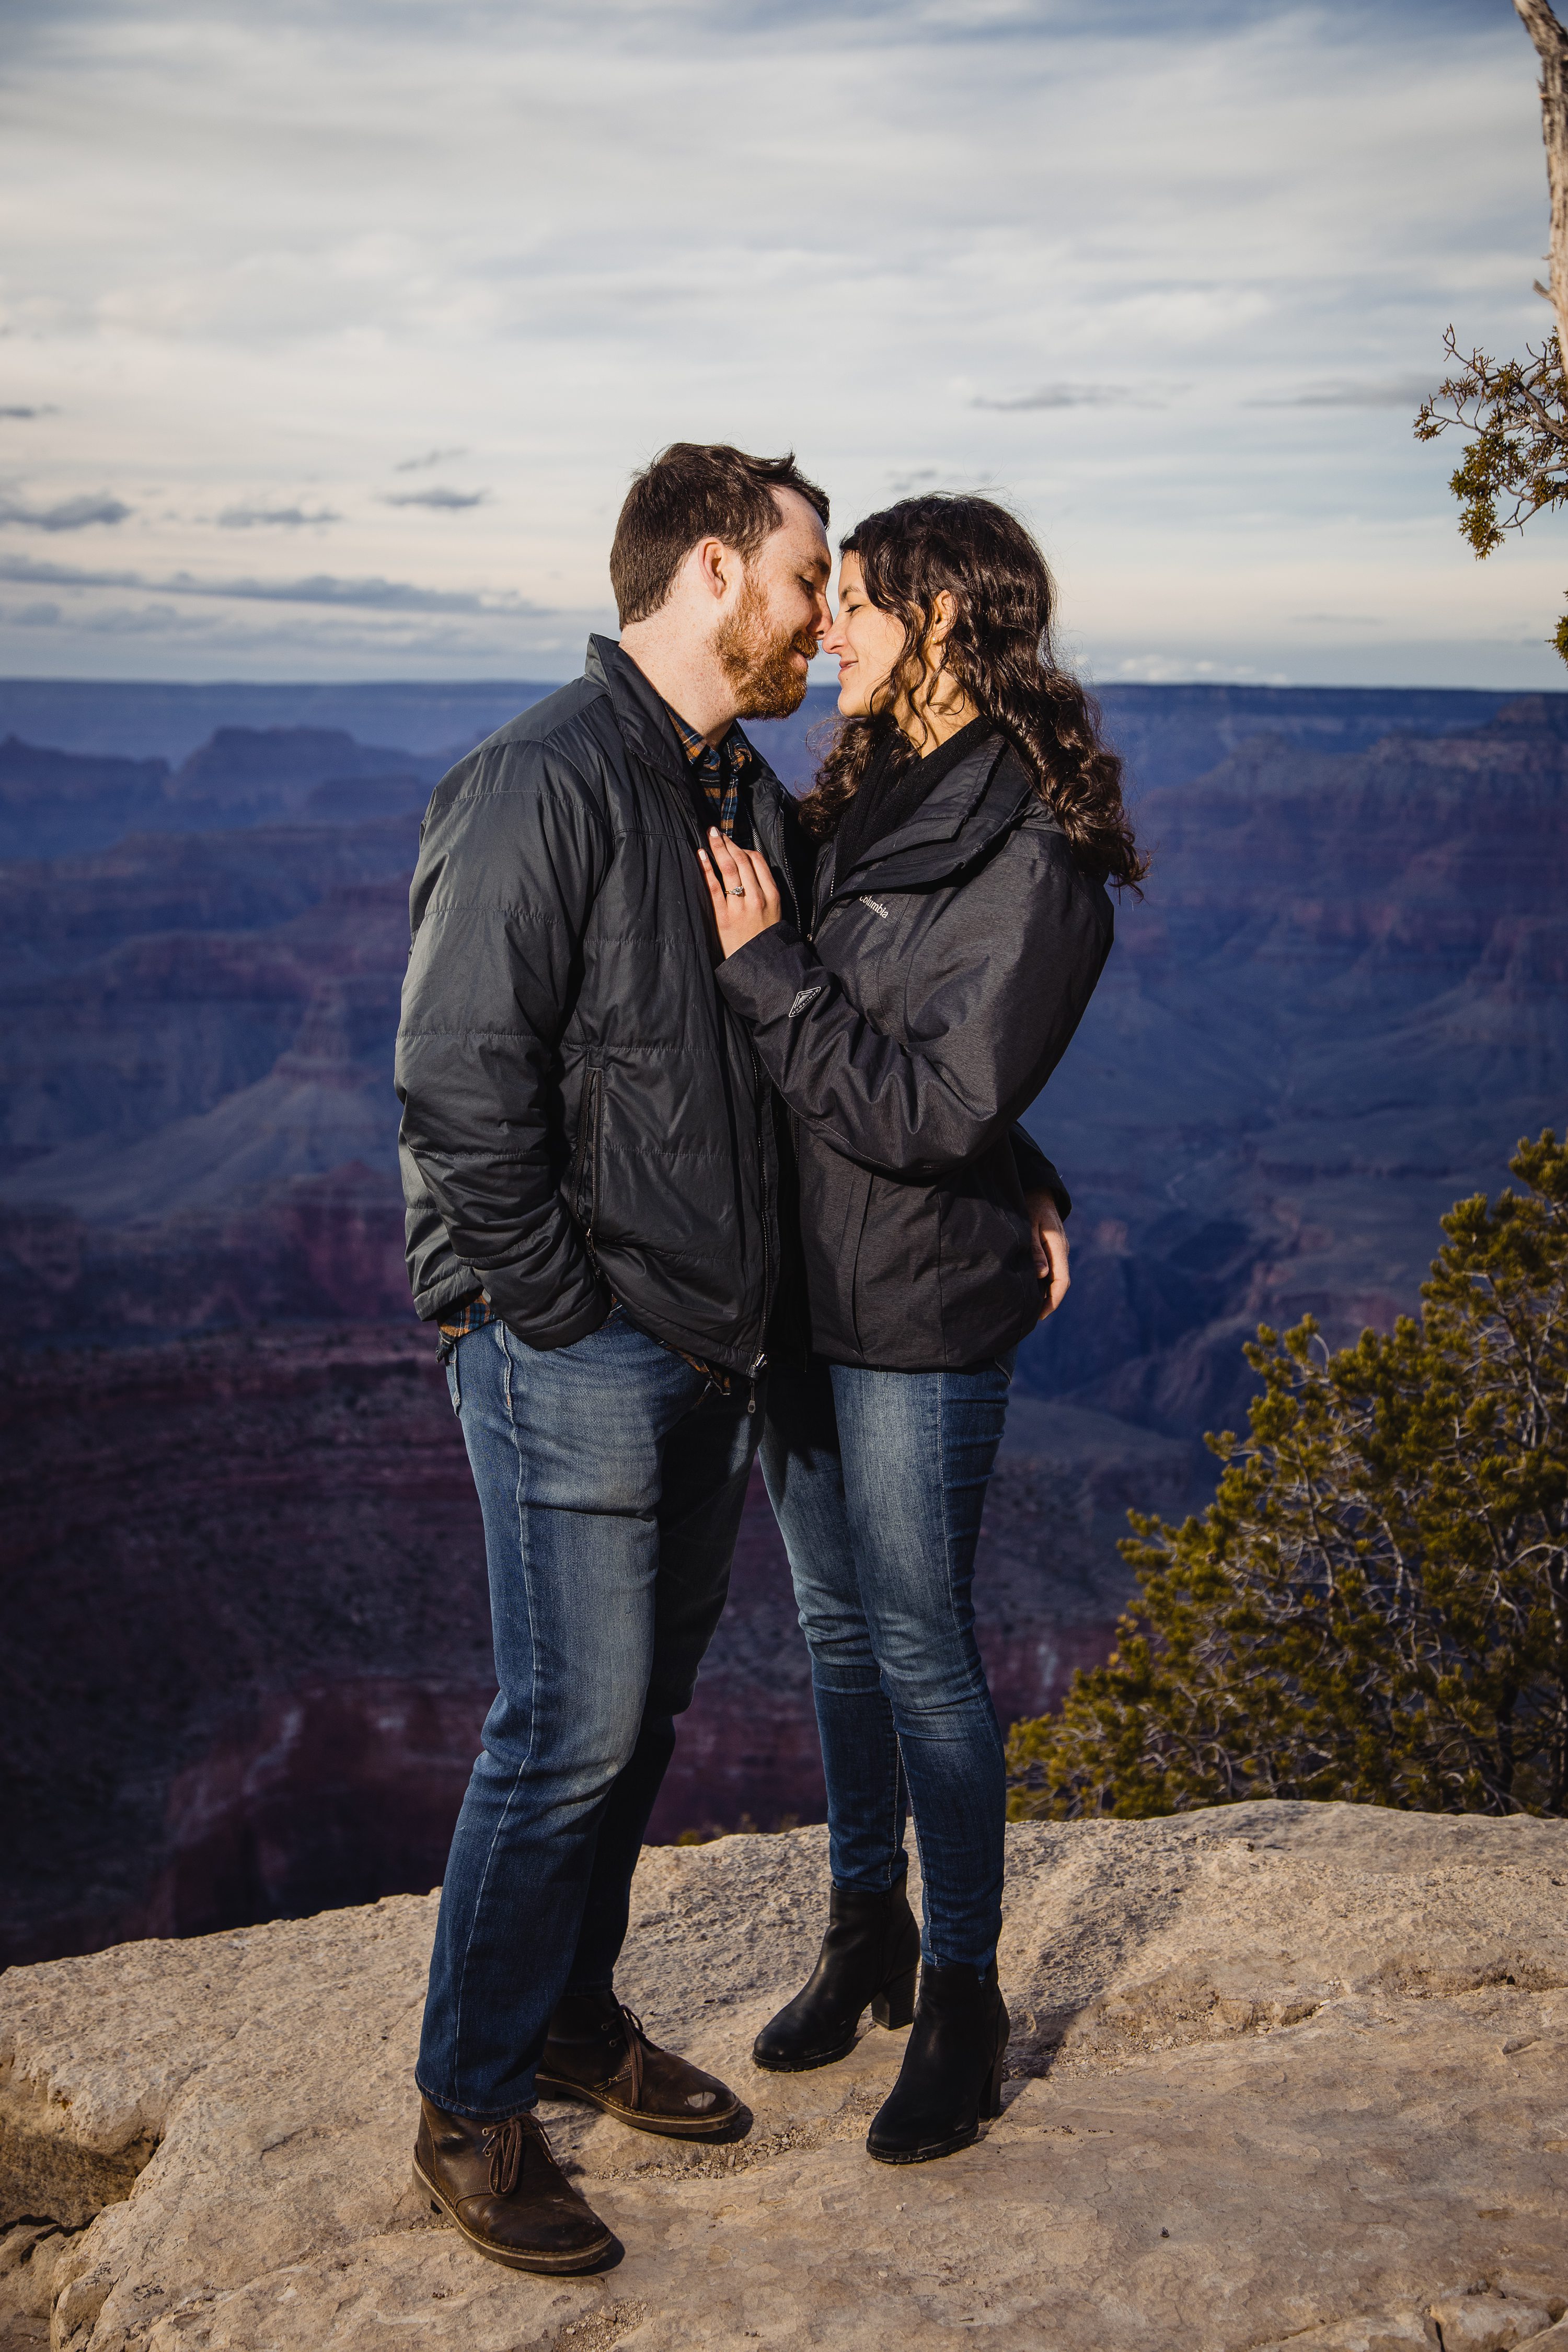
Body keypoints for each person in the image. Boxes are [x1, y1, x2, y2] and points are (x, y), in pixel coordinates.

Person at [393, 443, 836, 2274]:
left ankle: (573, 2014)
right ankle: (472, 2104)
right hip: (580, 1347)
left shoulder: (744, 793)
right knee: (559, 1728)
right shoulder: (541, 782)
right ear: (716, 572)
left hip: (712, 1352)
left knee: (636, 1718)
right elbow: (456, 1077)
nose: (822, 612)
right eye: (808, 575)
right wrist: (548, 1310)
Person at [698, 492, 1142, 2167]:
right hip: (802, 1286)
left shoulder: (1036, 848)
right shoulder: (873, 786)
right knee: (831, 1633)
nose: (832, 630)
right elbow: (944, 1075)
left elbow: (941, 1096)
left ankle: (965, 1993)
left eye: (860, 605)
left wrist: (764, 971)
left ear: (945, 621)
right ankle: (863, 1926)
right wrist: (1034, 1165)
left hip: (916, 1314)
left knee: (926, 1655)